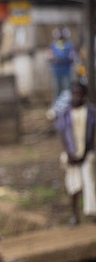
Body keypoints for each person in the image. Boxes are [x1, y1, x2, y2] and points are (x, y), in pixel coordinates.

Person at [53, 81, 96, 225]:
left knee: (89, 181)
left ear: (84, 96)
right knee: (73, 184)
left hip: (87, 154)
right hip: (70, 154)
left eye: (80, 94)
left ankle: (92, 212)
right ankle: (74, 215)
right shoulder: (65, 113)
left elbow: (91, 136)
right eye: (74, 94)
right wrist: (69, 154)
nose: (77, 97)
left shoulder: (90, 112)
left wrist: (85, 154)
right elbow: (63, 135)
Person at [48, 27, 77, 102]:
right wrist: (54, 59)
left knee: (67, 88)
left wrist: (65, 59)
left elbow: (73, 56)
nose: (61, 36)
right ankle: (57, 106)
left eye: (62, 34)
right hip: (56, 70)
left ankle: (68, 104)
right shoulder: (53, 45)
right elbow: (49, 56)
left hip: (66, 70)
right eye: (59, 34)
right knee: (57, 89)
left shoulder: (69, 45)